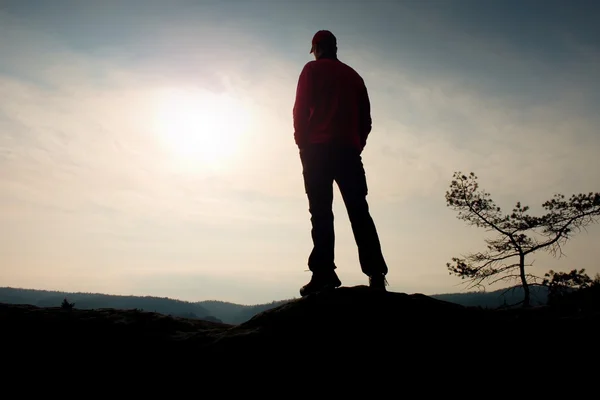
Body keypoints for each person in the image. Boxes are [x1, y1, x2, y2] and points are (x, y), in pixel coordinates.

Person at [293, 30, 389, 297]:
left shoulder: (311, 71)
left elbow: (300, 109)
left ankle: (323, 275)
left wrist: (302, 143)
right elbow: (366, 119)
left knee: (321, 213)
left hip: (317, 151)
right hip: (348, 152)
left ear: (316, 48)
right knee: (359, 211)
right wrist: (356, 144)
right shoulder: (354, 76)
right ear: (334, 48)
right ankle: (376, 274)